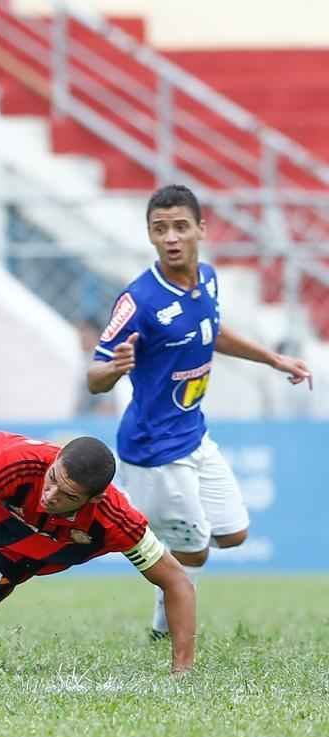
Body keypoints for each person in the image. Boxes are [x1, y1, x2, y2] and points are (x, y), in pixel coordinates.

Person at [87, 184, 311, 639]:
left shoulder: (207, 278)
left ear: (200, 230)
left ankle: (156, 532)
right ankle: (162, 628)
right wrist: (114, 369)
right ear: (150, 235)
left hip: (193, 434)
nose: (171, 238)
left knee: (234, 534)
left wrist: (273, 359)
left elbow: (212, 331)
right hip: (154, 451)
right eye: (159, 229)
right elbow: (93, 376)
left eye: (180, 227)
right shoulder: (139, 300)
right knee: (196, 554)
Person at [0, 431, 197, 676]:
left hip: (15, 550)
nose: (50, 495)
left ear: (95, 499)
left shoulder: (116, 520)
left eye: (67, 494)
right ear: (55, 460)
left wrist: (182, 672)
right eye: (53, 479)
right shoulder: (18, 464)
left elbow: (176, 582)